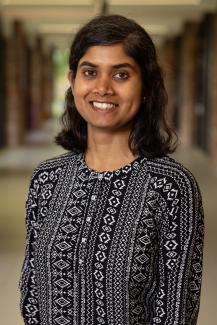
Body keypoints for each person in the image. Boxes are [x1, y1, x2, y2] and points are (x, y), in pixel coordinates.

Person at [19, 15, 204, 325]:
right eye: (90, 72)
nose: (103, 88)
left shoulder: (171, 186)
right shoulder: (47, 178)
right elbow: (31, 295)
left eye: (121, 75)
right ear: (73, 81)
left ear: (146, 85)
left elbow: (177, 311)